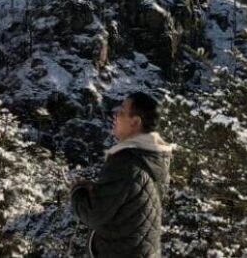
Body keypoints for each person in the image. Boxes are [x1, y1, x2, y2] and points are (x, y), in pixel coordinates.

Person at [70, 91, 174, 257]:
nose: (115, 115)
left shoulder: (126, 162)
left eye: (122, 112)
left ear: (135, 121)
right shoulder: (154, 159)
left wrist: (78, 191)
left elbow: (93, 214)